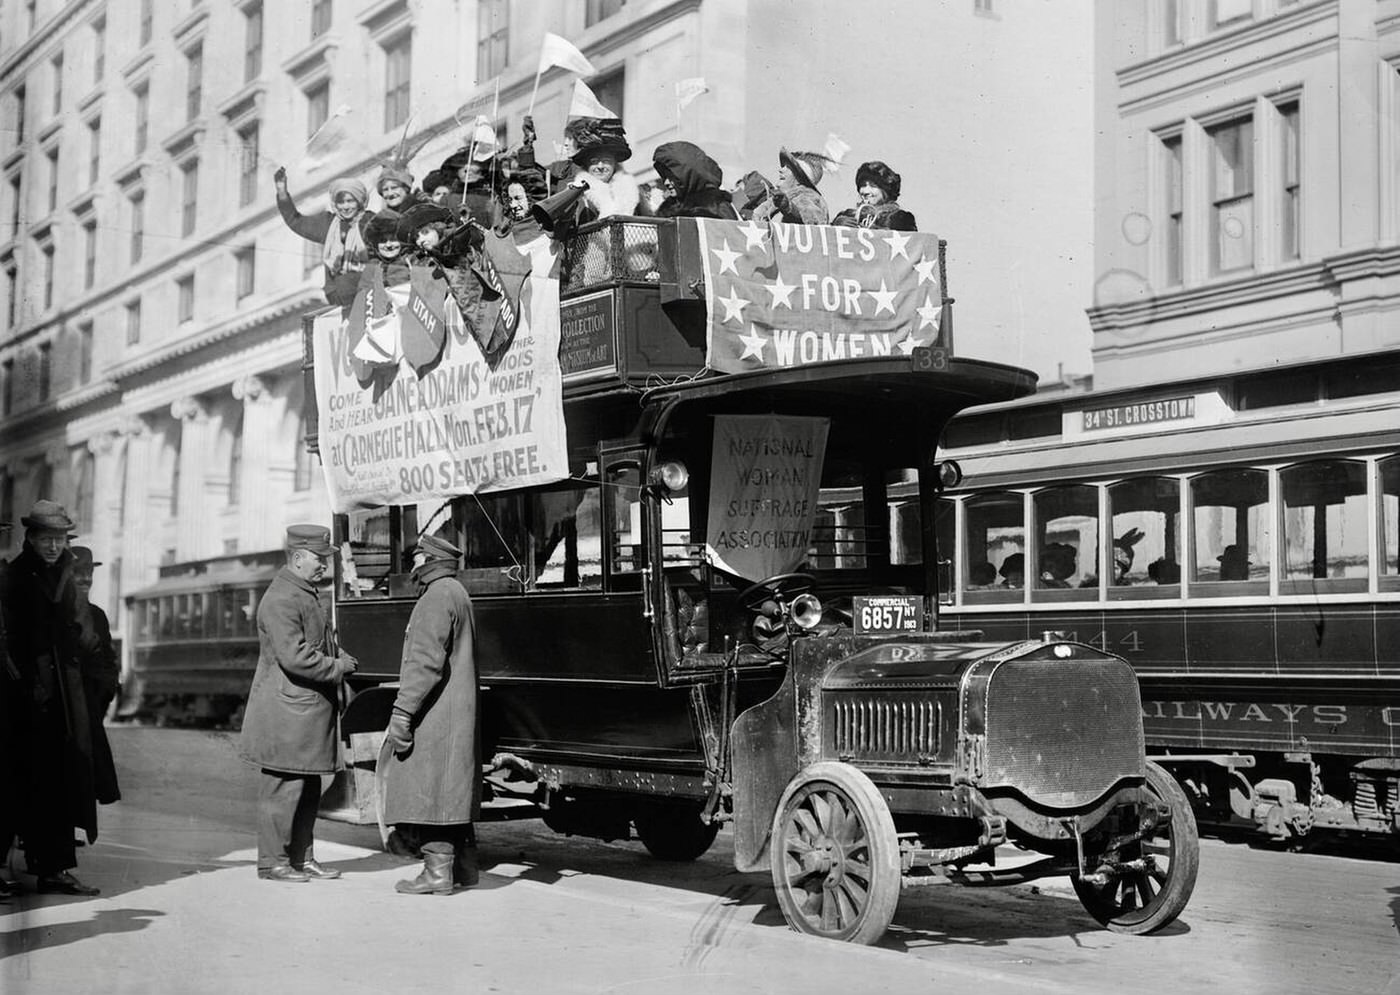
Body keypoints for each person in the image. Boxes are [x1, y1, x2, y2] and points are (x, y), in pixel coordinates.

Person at [238, 525, 358, 883]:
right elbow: (295, 656)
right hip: (288, 714)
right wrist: (337, 667)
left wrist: (341, 655)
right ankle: (272, 862)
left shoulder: (304, 593)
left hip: (302, 713)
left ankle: (301, 859)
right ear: (297, 558)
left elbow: (318, 643)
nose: (325, 565)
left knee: (306, 788)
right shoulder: (282, 599)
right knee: (282, 790)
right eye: (320, 558)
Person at [0, 500, 100, 895]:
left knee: (60, 781)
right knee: (16, 782)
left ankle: (54, 867)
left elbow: (85, 632)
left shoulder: (66, 577)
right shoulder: (14, 577)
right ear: (31, 539)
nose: (54, 547)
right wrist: (25, 680)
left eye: (59, 539)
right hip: (20, 694)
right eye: (46, 539)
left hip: (62, 698)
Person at [383, 533, 482, 896]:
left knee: (432, 791)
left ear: (427, 560)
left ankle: (436, 874)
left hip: (436, 712)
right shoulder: (457, 592)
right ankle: (464, 870)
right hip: (455, 711)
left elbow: (424, 663)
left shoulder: (435, 597)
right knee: (451, 790)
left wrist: (402, 712)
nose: (412, 565)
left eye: (416, 558)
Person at [273, 169, 375, 312]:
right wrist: (282, 192)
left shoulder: (371, 221)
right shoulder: (328, 224)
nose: (346, 207)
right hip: (339, 298)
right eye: (341, 202)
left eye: (350, 201)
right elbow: (295, 221)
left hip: (369, 293)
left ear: (359, 201)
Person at [71, 547, 120, 813]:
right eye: (78, 573)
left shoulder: (98, 615)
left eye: (88, 573)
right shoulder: (60, 612)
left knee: (87, 769)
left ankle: (72, 829)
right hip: (65, 705)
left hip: (92, 705)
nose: (85, 579)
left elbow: (109, 659)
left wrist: (106, 690)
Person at [652, 141, 740, 220]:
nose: (666, 182)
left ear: (687, 175)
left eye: (672, 177)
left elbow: (733, 236)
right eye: (664, 177)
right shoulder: (667, 209)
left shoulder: (716, 206)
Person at [753, 148, 832, 225]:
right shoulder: (790, 196)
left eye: (788, 167)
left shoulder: (807, 196)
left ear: (799, 178)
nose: (781, 170)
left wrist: (789, 208)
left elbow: (812, 221)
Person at [832, 160, 917, 231]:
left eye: (873, 186)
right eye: (863, 185)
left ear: (885, 191)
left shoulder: (901, 218)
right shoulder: (847, 215)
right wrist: (835, 227)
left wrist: (874, 233)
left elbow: (910, 245)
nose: (866, 191)